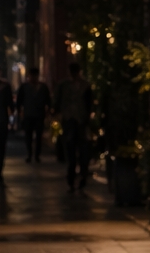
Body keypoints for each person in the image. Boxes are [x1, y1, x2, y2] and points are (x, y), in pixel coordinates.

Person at [53, 61, 93, 191]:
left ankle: (80, 176)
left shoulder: (85, 85)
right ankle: (72, 177)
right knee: (71, 149)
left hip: (80, 120)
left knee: (82, 150)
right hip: (70, 119)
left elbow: (90, 102)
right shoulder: (64, 85)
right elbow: (57, 101)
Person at [16, 67, 51, 162]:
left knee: (38, 136)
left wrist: (48, 111)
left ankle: (36, 155)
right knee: (29, 136)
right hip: (28, 114)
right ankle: (30, 154)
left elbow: (48, 100)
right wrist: (19, 112)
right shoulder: (24, 87)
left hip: (39, 114)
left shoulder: (43, 87)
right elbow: (19, 101)